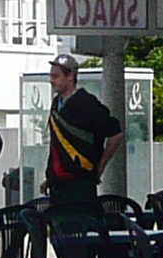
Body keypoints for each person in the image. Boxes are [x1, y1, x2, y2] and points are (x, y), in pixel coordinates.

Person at [41, 52, 120, 212]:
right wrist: (50, 178)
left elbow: (115, 134)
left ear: (71, 77)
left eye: (56, 76)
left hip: (81, 185)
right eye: (51, 76)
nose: (51, 81)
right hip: (58, 186)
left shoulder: (87, 103)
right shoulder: (56, 104)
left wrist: (99, 167)